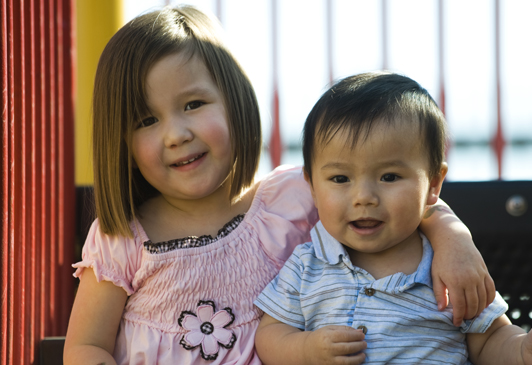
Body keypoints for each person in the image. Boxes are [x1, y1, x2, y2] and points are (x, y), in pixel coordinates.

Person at [64, 6, 497, 365]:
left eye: (193, 104)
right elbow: (85, 347)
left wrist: (454, 240)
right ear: (120, 138)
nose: (175, 134)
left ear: (235, 101)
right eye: (146, 120)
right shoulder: (121, 237)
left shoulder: (292, 197)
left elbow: (395, 202)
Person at [254, 72, 532, 365]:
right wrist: (307, 350)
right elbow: (270, 335)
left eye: (389, 176)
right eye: (340, 178)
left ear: (433, 184)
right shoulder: (308, 263)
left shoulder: (449, 269)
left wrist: (523, 350)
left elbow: (491, 338)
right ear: (313, 187)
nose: (364, 197)